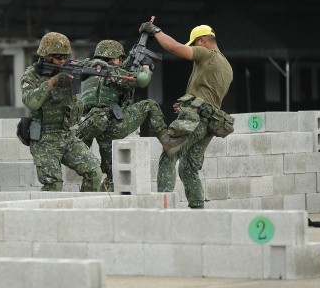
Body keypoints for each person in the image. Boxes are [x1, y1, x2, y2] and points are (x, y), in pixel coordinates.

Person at [139, 22, 234, 208]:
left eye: (194, 44)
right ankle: (198, 211)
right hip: (209, 122)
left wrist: (155, 31)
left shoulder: (207, 54)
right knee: (189, 168)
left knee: (169, 154)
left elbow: (172, 47)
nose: (192, 49)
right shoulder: (226, 65)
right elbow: (208, 95)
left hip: (195, 118)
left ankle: (164, 209)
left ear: (203, 40)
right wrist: (186, 103)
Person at [76, 39, 183, 191]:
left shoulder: (92, 72)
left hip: (93, 125)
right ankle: (167, 141)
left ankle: (93, 196)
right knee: (150, 105)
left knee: (108, 170)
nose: (121, 61)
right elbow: (142, 80)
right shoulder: (114, 72)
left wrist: (131, 59)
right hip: (112, 124)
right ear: (113, 58)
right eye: (119, 58)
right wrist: (146, 67)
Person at [20, 32, 102, 192]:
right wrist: (53, 82)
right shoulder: (31, 75)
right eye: (58, 57)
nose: (63, 61)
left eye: (65, 56)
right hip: (45, 138)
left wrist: (98, 64)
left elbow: (85, 65)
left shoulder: (69, 68)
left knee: (95, 174)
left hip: (68, 135)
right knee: (53, 185)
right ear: (46, 56)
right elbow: (30, 102)